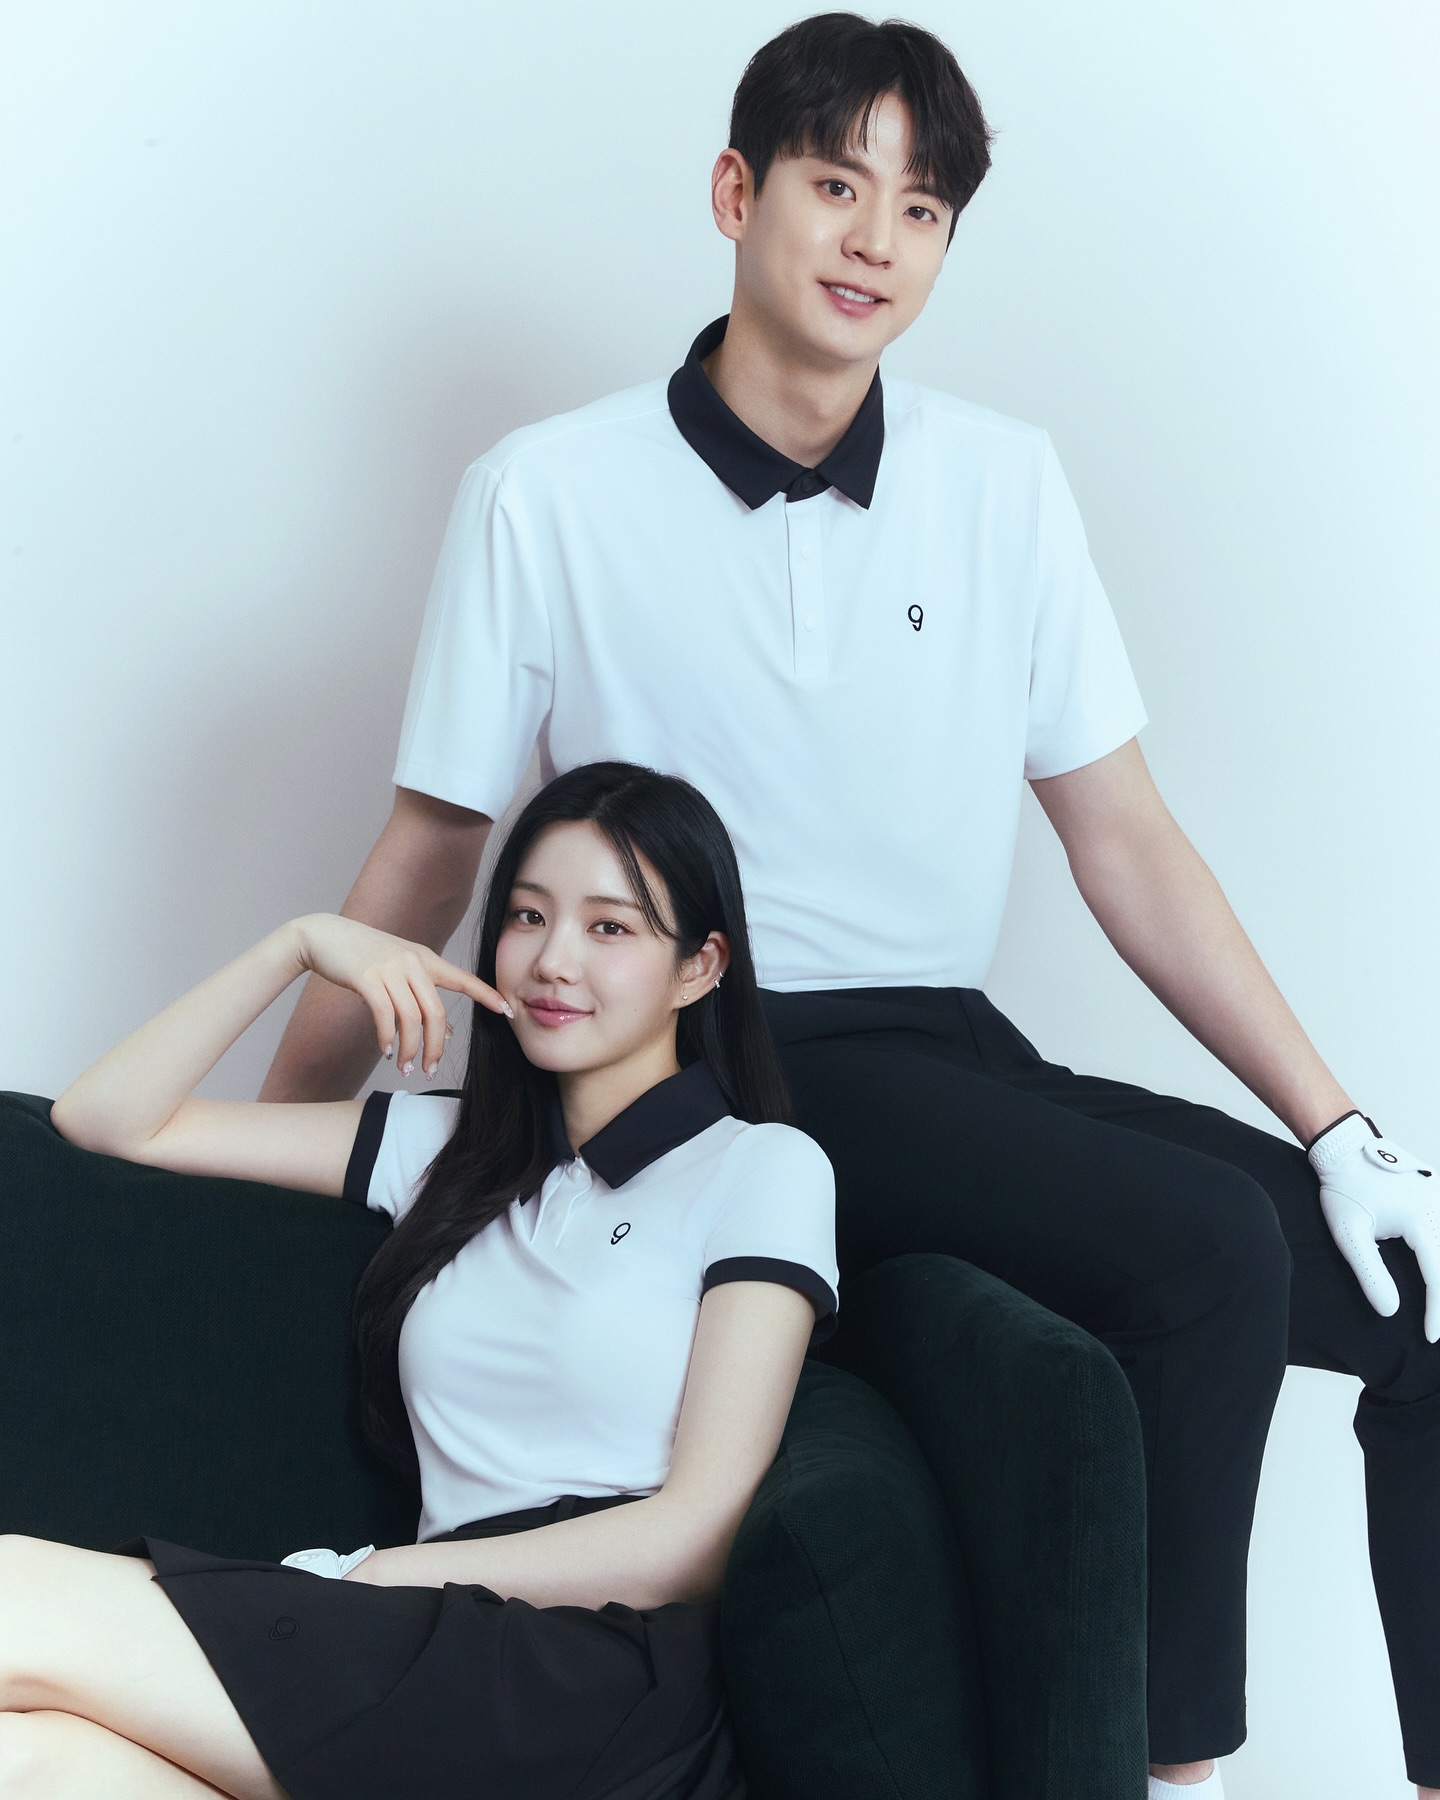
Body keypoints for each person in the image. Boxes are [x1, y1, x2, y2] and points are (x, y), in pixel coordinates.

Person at [255, 13, 1440, 1798]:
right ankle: (1169, 1777)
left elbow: (1125, 840)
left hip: (952, 1050)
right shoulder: (548, 492)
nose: (877, 239)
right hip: (736, 1067)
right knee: (1210, 1248)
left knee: (1416, 1298)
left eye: (923, 208)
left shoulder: (1002, 480)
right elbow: (429, 849)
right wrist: (274, 1148)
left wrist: (1340, 1127)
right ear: (735, 194)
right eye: (835, 185)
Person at [0, 761, 837, 1799]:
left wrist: (369, 1576)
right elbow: (106, 1120)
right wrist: (300, 942)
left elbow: (697, 1536)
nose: (553, 960)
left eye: (609, 928)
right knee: (28, 1763)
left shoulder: (760, 1167)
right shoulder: (442, 1148)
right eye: (527, 915)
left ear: (700, 967)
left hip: (593, 1673)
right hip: (428, 1636)